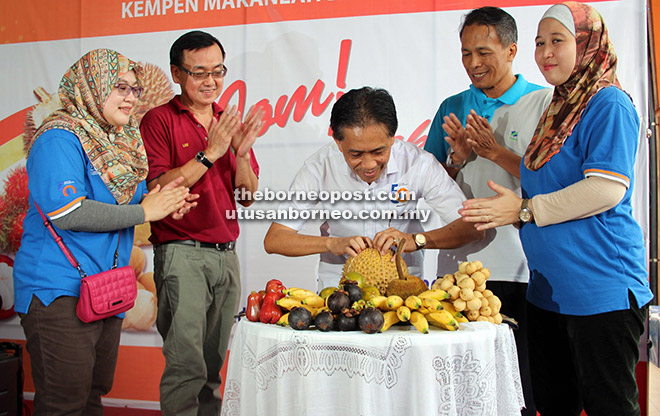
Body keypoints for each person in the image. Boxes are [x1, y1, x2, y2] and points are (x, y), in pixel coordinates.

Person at [459, 3, 653, 415]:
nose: (546, 52)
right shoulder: (559, 107)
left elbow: (605, 189)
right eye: (540, 43)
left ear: (587, 45)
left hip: (601, 290)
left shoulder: (608, 104)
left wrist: (523, 210)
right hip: (549, 290)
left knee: (609, 406)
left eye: (558, 41)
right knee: (552, 403)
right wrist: (497, 154)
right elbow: (546, 175)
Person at [12, 49, 193, 415]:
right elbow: (69, 211)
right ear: (91, 87)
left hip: (106, 287)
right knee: (65, 402)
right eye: (120, 87)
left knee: (94, 394)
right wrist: (145, 211)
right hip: (58, 289)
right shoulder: (58, 139)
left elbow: (131, 197)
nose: (130, 96)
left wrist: (163, 200)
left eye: (135, 89)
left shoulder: (118, 143)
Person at [423, 7, 552, 415]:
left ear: (512, 50)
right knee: (459, 384)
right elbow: (430, 186)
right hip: (458, 268)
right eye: (465, 54)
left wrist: (497, 152)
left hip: (521, 266)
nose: (473, 64)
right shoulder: (452, 105)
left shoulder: (543, 102)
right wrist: (458, 159)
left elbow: (555, 183)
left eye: (483, 52)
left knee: (521, 383)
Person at [139, 30, 263, 416]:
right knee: (185, 366)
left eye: (218, 71)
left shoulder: (228, 122)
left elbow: (246, 197)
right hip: (181, 253)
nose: (211, 81)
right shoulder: (159, 120)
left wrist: (240, 155)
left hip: (226, 256)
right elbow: (159, 186)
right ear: (177, 74)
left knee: (213, 368)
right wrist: (210, 153)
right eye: (199, 72)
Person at [264, 87, 483, 290]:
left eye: (379, 152)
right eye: (356, 154)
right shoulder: (319, 167)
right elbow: (275, 239)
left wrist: (415, 240)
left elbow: (472, 228)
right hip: (338, 289)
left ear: (392, 137)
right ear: (338, 142)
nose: (368, 165)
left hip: (402, 287)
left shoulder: (419, 163)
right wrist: (332, 243)